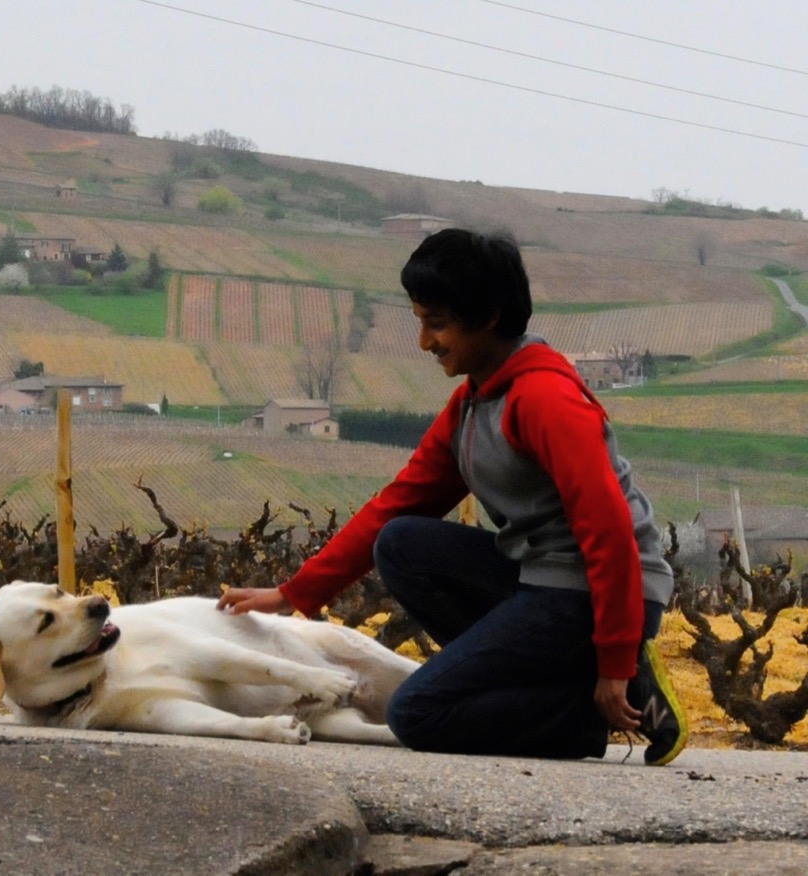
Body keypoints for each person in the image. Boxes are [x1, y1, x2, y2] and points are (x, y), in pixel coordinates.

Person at [216, 228, 687, 765]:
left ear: (488, 316)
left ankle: (583, 717)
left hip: (596, 592)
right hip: (538, 580)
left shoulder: (547, 400)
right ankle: (560, 685)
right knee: (400, 543)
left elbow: (611, 535)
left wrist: (616, 661)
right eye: (420, 322)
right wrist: (293, 593)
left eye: (436, 324)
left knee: (417, 714)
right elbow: (397, 503)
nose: (424, 343)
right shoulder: (474, 402)